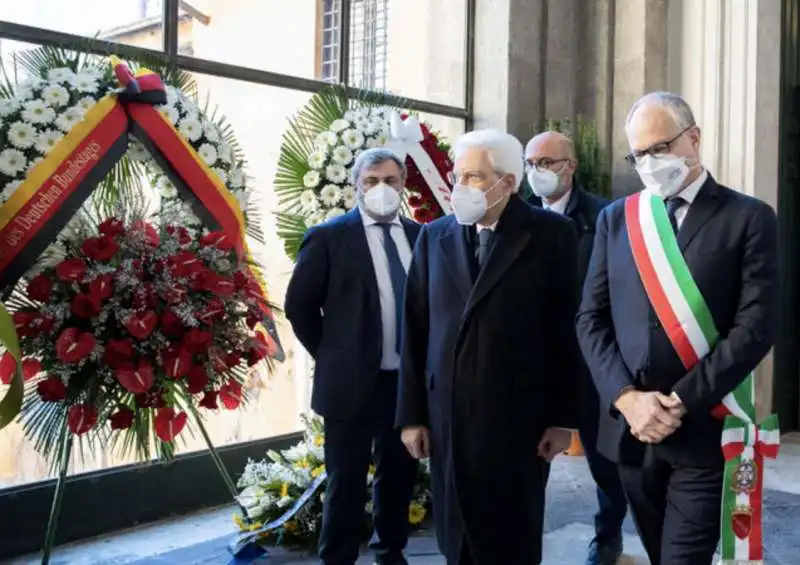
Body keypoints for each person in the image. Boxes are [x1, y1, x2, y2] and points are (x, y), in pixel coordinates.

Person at [576, 91, 778, 565]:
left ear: (694, 139)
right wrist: (627, 398)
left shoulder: (747, 217)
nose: (649, 162)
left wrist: (679, 402)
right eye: (639, 154)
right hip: (633, 431)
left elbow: (756, 326)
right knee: (656, 550)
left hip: (704, 430)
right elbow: (590, 318)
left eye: (659, 148)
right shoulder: (617, 220)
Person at [396, 129, 582, 565]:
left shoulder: (552, 235)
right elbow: (415, 330)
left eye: (475, 177)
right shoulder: (434, 236)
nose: (462, 187)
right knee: (456, 541)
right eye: (458, 175)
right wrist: (411, 417)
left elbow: (565, 331)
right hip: (446, 419)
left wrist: (563, 420)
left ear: (508, 182)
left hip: (518, 422)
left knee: (509, 541)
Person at [284, 148, 422, 565]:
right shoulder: (328, 237)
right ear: (356, 186)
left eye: (391, 180)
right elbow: (299, 307)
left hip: (406, 383)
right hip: (350, 383)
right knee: (345, 481)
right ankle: (338, 558)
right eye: (371, 181)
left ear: (403, 184)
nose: (382, 188)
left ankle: (390, 551)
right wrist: (333, 354)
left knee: (399, 477)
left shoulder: (422, 236)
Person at [525, 131, 625, 565]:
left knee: (605, 462)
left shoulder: (606, 216)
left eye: (548, 162)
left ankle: (607, 538)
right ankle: (524, 539)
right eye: (531, 163)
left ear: (572, 166)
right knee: (530, 460)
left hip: (592, 361)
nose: (538, 172)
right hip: (537, 361)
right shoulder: (520, 217)